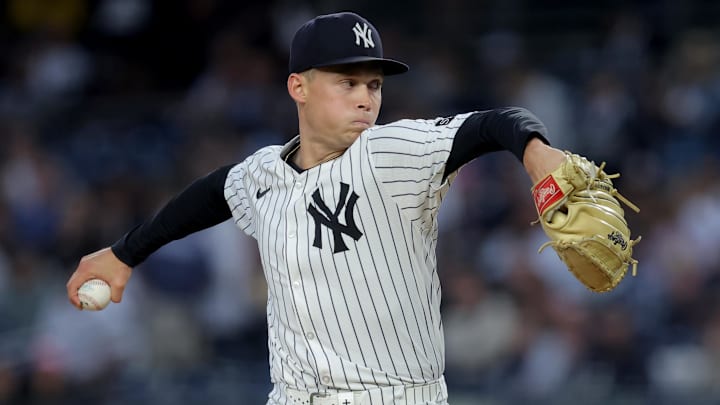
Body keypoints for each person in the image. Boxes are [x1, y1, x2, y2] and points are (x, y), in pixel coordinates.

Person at [66, 11, 567, 405]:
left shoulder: (391, 152)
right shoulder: (265, 173)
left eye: (373, 85)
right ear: (298, 88)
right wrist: (124, 252)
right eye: (347, 83)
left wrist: (536, 152)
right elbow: (209, 195)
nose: (365, 99)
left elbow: (494, 122)